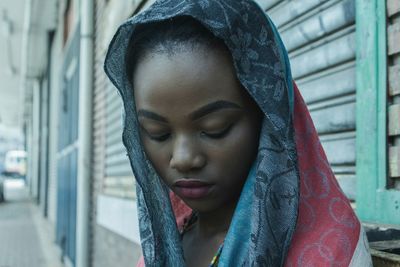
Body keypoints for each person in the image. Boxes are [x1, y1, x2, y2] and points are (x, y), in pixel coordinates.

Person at [104, 0, 372, 266]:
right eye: (158, 133)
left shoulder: (330, 252)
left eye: (215, 128)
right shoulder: (161, 246)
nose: (183, 159)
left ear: (268, 120)